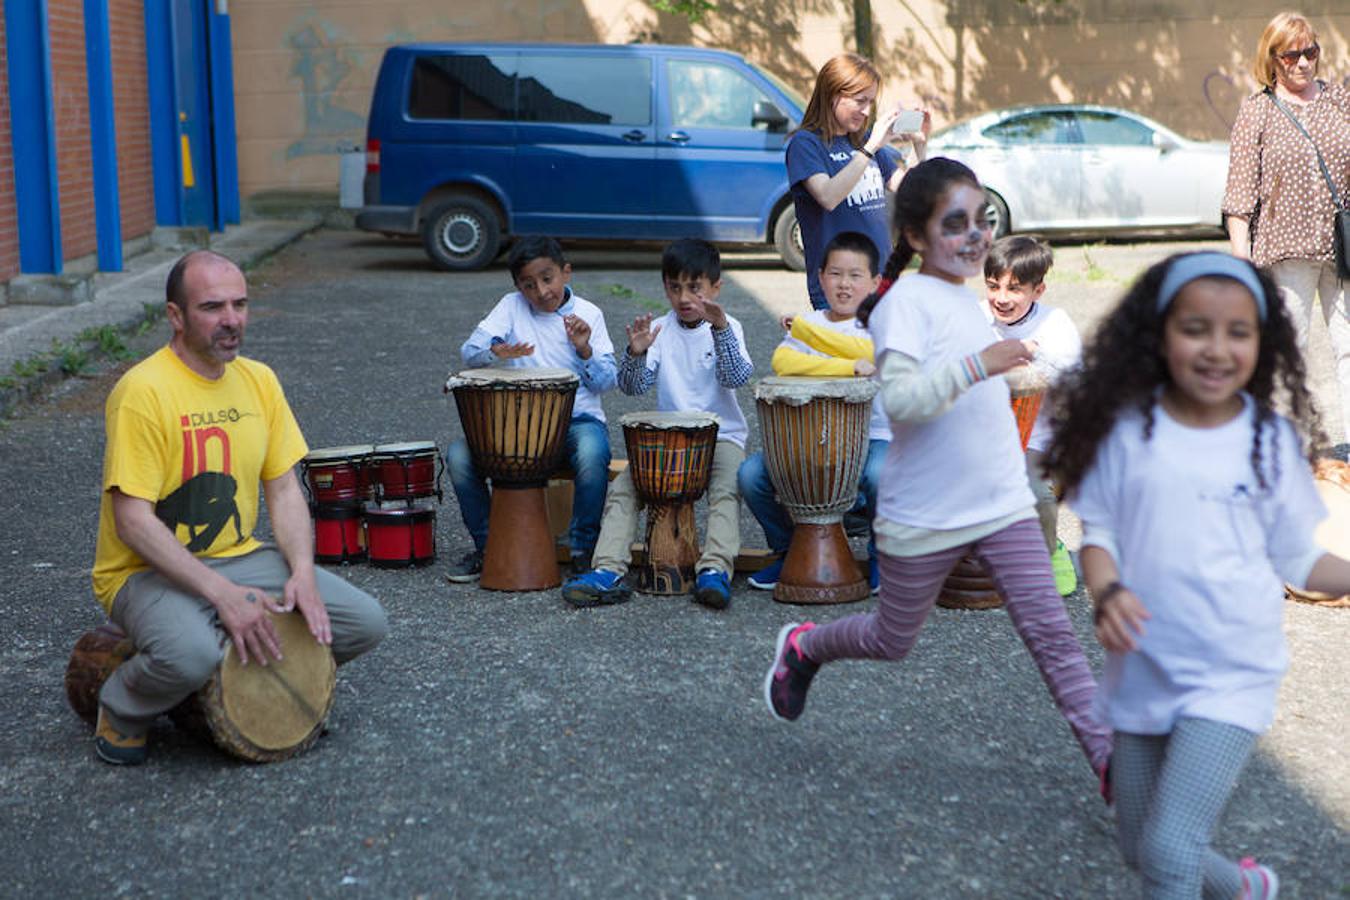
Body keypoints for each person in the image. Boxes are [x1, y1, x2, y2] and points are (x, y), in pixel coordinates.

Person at [763, 159, 1112, 793]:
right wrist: (981, 364)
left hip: (1000, 499)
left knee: (1055, 639)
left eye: (981, 220)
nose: (977, 235)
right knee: (892, 638)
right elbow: (902, 403)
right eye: (957, 223)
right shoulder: (904, 306)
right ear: (917, 237)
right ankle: (805, 647)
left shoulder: (967, 300)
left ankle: (1113, 768)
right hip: (924, 512)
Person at [1044, 252, 1348, 898]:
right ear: (1159, 335)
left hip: (1231, 676)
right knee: (1138, 842)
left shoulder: (1269, 442)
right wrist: (1108, 592)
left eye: (1237, 332)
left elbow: (1299, 560)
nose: (1217, 348)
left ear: (1262, 344)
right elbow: (1097, 539)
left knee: (1170, 849)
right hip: (1142, 670)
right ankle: (1242, 888)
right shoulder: (1129, 433)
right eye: (1195, 329)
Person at [89, 250, 388, 766]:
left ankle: (222, 678)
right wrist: (225, 597)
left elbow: (285, 489)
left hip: (240, 557)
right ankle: (122, 703)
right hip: (145, 572)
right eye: (212, 307)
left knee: (363, 622)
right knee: (191, 654)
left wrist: (301, 573)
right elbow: (133, 522)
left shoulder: (259, 380)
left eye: (240, 304)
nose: (231, 320)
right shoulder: (142, 391)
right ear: (176, 316)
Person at [563, 238, 753, 610]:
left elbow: (736, 377)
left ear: (716, 287)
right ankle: (607, 570)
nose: (684, 297)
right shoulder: (661, 332)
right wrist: (636, 352)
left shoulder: (730, 327)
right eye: (675, 286)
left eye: (695, 287)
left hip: (722, 437)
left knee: (727, 490)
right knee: (623, 490)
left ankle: (715, 570)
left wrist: (721, 330)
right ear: (665, 286)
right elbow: (633, 388)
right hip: (668, 441)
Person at [444, 236, 617, 581]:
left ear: (565, 273)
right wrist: (496, 351)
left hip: (575, 421)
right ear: (518, 287)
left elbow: (607, 380)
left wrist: (584, 350)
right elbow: (471, 350)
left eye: (547, 278)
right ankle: (488, 546)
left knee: (593, 451)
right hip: (516, 425)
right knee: (459, 456)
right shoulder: (510, 306)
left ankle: (583, 549)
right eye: (529, 284)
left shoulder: (589, 314)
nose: (540, 291)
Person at [1223, 11, 1350, 442]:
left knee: (1349, 349)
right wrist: (1241, 262)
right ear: (1272, 58)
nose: (1302, 63)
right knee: (1289, 352)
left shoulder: (1340, 101)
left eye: (1310, 52)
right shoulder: (1257, 111)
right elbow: (1239, 195)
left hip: (1343, 248)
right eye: (1291, 55)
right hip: (1285, 252)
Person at [739, 230, 889, 592]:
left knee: (880, 475)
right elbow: (782, 360)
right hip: (809, 440)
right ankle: (788, 550)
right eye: (835, 274)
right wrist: (847, 367)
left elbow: (869, 353)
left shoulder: (882, 324)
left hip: (873, 438)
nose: (844, 285)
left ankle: (883, 557)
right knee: (751, 475)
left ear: (875, 282)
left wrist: (808, 334)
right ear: (820, 276)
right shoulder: (813, 321)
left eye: (855, 276)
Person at [787, 52, 929, 312]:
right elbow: (828, 196)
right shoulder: (806, 144)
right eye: (860, 101)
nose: (866, 111)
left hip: (881, 282)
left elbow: (913, 191)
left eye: (871, 102)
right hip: (839, 287)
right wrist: (871, 147)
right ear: (832, 94)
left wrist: (919, 146)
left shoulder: (863, 142)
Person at [983, 235, 1081, 595]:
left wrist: (1031, 352)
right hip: (981, 437)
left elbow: (1072, 383)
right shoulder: (975, 318)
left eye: (1014, 289)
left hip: (1036, 439)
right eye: (994, 286)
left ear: (1038, 290)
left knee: (1036, 493)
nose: (1001, 298)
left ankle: (1050, 547)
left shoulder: (1056, 324)